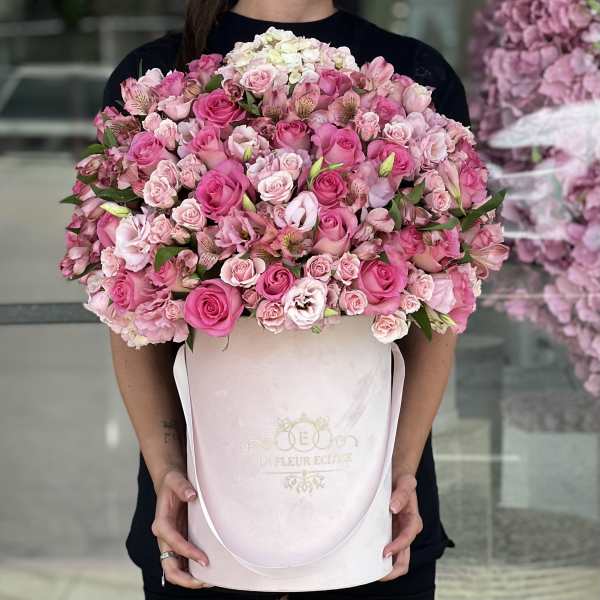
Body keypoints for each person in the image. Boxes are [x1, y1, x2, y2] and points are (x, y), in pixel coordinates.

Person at [106, 1, 469, 598]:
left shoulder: (412, 75)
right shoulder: (154, 76)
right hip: (204, 519)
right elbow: (134, 309)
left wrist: (401, 470)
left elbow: (439, 307)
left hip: (373, 510)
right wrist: (166, 465)